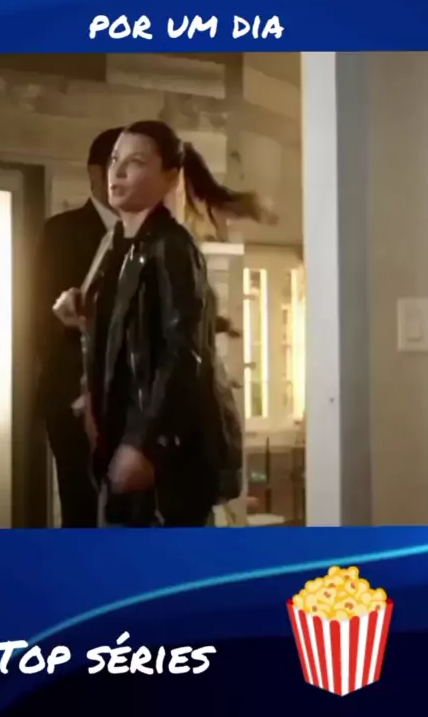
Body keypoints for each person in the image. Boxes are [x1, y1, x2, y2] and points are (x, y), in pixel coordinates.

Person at [54, 121, 273, 527]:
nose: (118, 172)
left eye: (136, 162)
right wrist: (81, 308)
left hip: (165, 462)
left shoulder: (172, 247)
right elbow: (126, 329)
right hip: (116, 438)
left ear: (170, 177)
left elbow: (183, 354)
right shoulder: (116, 244)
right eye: (115, 160)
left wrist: (147, 443)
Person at [34, 128, 123, 527]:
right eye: (118, 165)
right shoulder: (61, 231)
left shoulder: (150, 234)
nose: (128, 177)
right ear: (94, 173)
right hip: (73, 393)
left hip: (132, 403)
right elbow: (38, 316)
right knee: (83, 508)